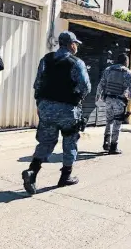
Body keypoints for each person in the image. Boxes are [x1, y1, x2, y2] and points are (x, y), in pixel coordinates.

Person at [22, 31, 91, 195]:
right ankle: (65, 177)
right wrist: (76, 96)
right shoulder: (76, 62)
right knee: (70, 140)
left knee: (45, 141)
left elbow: (37, 84)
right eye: (76, 44)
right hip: (67, 109)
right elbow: (86, 87)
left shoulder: (46, 59)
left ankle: (32, 172)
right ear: (70, 44)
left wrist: (40, 104)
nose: (77, 47)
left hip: (46, 108)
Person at [96, 53, 131, 154]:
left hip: (108, 99)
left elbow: (101, 84)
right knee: (117, 123)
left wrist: (98, 97)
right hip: (119, 101)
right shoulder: (128, 73)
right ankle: (113, 147)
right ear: (126, 62)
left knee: (109, 121)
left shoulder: (108, 70)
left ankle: (106, 143)